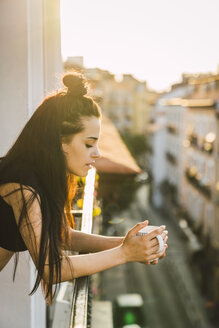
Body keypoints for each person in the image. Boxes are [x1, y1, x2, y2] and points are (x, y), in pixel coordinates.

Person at [0, 72, 168, 303]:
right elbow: (51, 268)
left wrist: (130, 243)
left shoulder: (38, 174)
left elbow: (63, 236)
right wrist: (125, 253)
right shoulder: (22, 184)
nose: (97, 153)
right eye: (89, 143)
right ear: (60, 142)